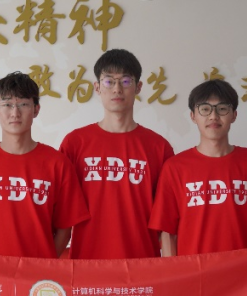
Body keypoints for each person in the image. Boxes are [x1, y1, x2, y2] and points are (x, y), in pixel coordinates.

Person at [60, 49, 174, 259]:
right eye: (109, 81)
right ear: (97, 87)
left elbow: (168, 220)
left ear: (138, 87)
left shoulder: (159, 147)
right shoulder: (75, 143)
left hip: (141, 263)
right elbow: (61, 212)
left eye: (126, 81)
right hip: (87, 263)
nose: (117, 89)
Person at [0, 72, 89, 258]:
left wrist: (45, 263)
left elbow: (65, 227)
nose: (15, 113)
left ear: (36, 109)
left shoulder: (57, 163)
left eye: (23, 104)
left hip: (37, 272)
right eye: (7, 104)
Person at [150, 79, 247, 255]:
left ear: (234, 115)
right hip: (194, 270)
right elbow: (168, 231)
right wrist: (173, 270)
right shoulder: (175, 168)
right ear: (193, 116)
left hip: (243, 269)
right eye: (205, 109)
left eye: (222, 109)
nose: (213, 116)